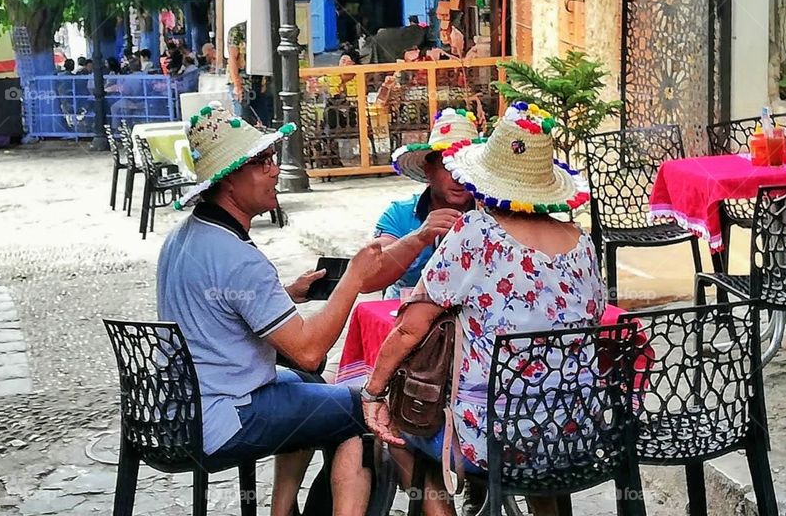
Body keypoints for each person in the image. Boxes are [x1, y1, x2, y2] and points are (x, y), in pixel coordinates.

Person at [362, 102, 602, 516]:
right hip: (575, 432)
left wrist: (371, 393)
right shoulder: (582, 242)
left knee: (402, 431)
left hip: (494, 439)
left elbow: (409, 328)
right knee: (537, 439)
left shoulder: (477, 232)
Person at [159, 104, 381, 516]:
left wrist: (285, 294)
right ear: (229, 181)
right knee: (364, 412)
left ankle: (282, 513)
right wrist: (353, 278)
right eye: (262, 162)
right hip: (225, 416)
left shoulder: (183, 237)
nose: (276, 170)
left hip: (183, 405)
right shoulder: (238, 257)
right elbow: (310, 349)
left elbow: (218, 303)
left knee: (309, 384)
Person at [364, 109, 479, 299]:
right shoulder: (399, 214)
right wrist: (418, 238)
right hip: (402, 320)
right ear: (428, 170)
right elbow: (367, 279)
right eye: (448, 167)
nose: (459, 178)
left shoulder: (492, 215)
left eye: (466, 167)